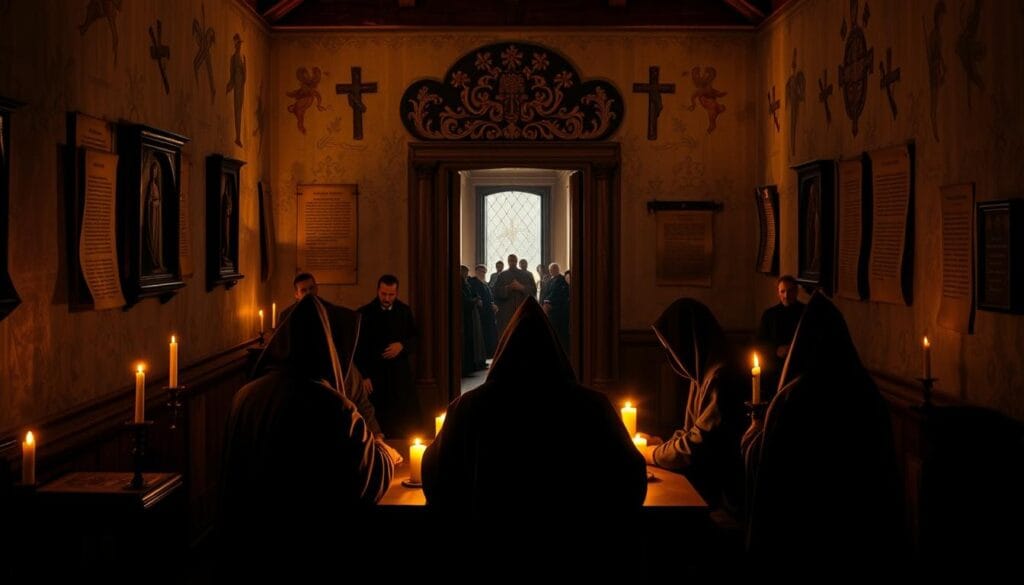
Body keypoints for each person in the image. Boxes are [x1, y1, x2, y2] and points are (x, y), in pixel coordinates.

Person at [422, 297, 646, 556]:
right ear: (554, 348)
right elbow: (630, 478)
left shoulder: (469, 407)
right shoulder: (593, 406)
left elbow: (437, 476)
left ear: (505, 349)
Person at [220, 295, 396, 574]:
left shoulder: (245, 396)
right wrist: (383, 451)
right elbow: (368, 477)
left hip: (249, 547)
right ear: (326, 345)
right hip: (309, 551)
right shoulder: (333, 406)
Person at [742, 291, 903, 572]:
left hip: (802, 536)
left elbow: (770, 470)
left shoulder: (794, 398)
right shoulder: (865, 392)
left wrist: (755, 434)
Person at [641, 298, 745, 509]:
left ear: (689, 341)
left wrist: (651, 454)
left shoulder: (721, 376)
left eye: (672, 348)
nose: (671, 355)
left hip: (724, 499)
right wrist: (660, 445)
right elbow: (691, 432)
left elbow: (698, 446)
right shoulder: (701, 373)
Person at [278, 272, 395, 451]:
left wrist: (378, 437)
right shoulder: (287, 379)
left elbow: (362, 403)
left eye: (312, 289)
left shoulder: (343, 368)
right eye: (304, 290)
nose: (309, 294)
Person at [355, 274, 424, 438]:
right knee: (379, 419)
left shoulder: (404, 311)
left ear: (397, 293)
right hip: (374, 376)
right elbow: (357, 349)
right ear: (378, 290)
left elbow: (415, 338)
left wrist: (402, 346)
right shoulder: (364, 314)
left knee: (403, 421)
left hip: (399, 376)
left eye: (391, 294)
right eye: (383, 294)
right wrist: (363, 376)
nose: (387, 298)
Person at [755, 275, 805, 398]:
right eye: (782, 291)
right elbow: (760, 343)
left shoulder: (806, 313)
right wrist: (776, 350)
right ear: (778, 293)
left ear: (796, 291)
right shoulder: (769, 315)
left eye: (790, 291)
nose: (786, 295)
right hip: (775, 371)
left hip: (799, 370)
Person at [493, 254, 536, 338]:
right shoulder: (502, 275)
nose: (512, 262)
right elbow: (496, 292)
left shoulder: (527, 275)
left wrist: (521, 287)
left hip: (523, 310)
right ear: (508, 262)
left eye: (514, 260)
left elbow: (533, 291)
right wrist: (508, 288)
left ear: (517, 261)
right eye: (510, 260)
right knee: (508, 336)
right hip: (506, 313)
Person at [470, 264, 498, 358]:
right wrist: (478, 301)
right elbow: (474, 295)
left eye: (484, 272)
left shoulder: (485, 284)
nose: (482, 273)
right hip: (480, 313)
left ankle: (488, 355)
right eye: (481, 271)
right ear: (476, 271)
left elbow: (490, 297)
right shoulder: (472, 282)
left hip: (488, 313)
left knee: (489, 334)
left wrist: (493, 304)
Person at [541, 262, 569, 351]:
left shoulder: (561, 280)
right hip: (549, 309)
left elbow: (558, 294)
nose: (552, 271)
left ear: (557, 269)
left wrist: (548, 301)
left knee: (558, 333)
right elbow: (546, 293)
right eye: (551, 270)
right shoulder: (550, 280)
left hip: (556, 310)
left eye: (554, 269)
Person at [144, 160, 164, 272]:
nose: (154, 173)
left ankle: (156, 261)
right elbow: (149, 201)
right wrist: (154, 203)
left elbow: (157, 200)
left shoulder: (156, 186)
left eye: (156, 171)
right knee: (151, 235)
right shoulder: (150, 186)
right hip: (151, 215)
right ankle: (152, 261)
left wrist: (157, 202)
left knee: (155, 236)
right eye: (153, 171)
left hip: (156, 214)